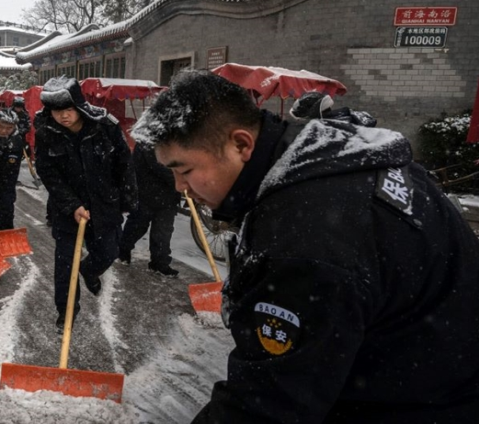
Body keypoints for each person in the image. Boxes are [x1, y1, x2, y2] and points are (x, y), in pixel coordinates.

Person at [131, 69, 479, 423]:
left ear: (241, 144)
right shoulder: (330, 155)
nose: (179, 187)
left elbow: (264, 405)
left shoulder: (303, 239)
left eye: (184, 170)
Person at [35, 76, 137, 328]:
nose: (63, 117)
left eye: (68, 110)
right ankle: (66, 313)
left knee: (109, 252)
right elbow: (49, 174)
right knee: (65, 265)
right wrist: (72, 205)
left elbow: (124, 164)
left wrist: (128, 200)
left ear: (79, 105)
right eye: (57, 111)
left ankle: (90, 270)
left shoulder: (105, 126)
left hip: (104, 204)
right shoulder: (47, 132)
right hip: (68, 210)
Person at [118, 141, 181, 276]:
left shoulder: (176, 139)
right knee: (138, 225)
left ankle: (159, 263)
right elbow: (157, 165)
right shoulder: (147, 141)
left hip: (168, 195)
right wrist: (180, 178)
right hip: (146, 193)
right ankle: (123, 250)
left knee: (163, 231)